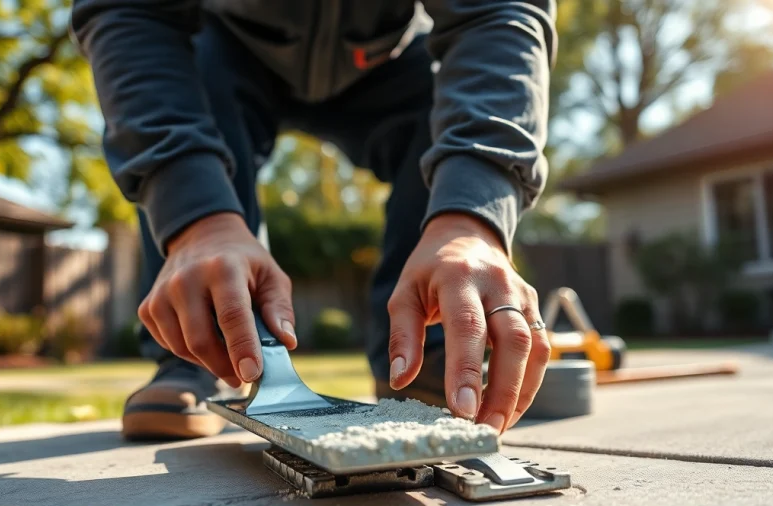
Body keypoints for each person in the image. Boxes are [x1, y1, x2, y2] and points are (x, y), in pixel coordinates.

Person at [71, 0, 556, 440]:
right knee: (194, 74)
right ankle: (199, 352)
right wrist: (198, 219)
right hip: (223, 53)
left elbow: (498, 12)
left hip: (385, 59)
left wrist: (471, 220)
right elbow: (127, 11)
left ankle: (430, 354)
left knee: (448, 104)